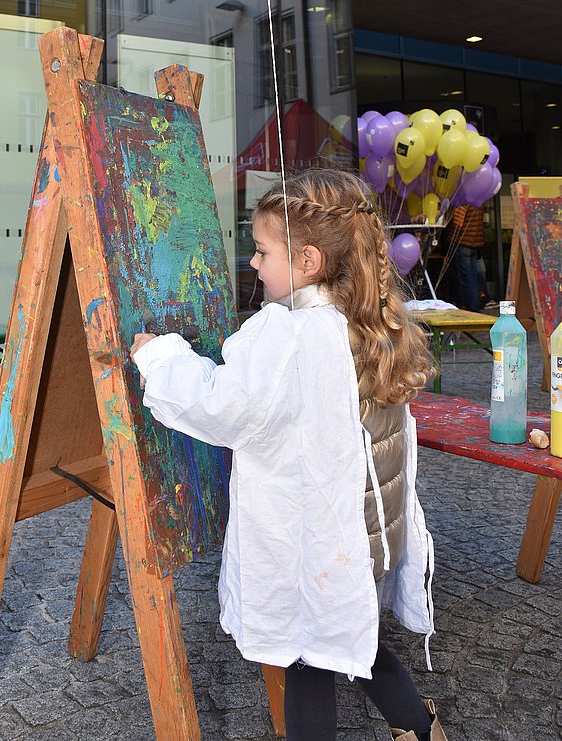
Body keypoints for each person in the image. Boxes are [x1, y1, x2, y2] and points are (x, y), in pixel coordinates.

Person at [131, 168, 446, 741]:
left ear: (309, 262)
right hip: (366, 536)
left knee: (310, 653)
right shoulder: (372, 320)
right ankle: (420, 728)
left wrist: (160, 358)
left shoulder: (295, 336)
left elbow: (223, 405)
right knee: (354, 638)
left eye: (262, 250)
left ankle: (416, 725)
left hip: (322, 542)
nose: (253, 262)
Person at [447, 204, 486, 312]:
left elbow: (458, 224)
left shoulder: (464, 202)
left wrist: (449, 238)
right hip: (475, 243)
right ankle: (475, 304)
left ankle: (471, 307)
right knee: (472, 276)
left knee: (466, 278)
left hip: (463, 242)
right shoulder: (478, 201)